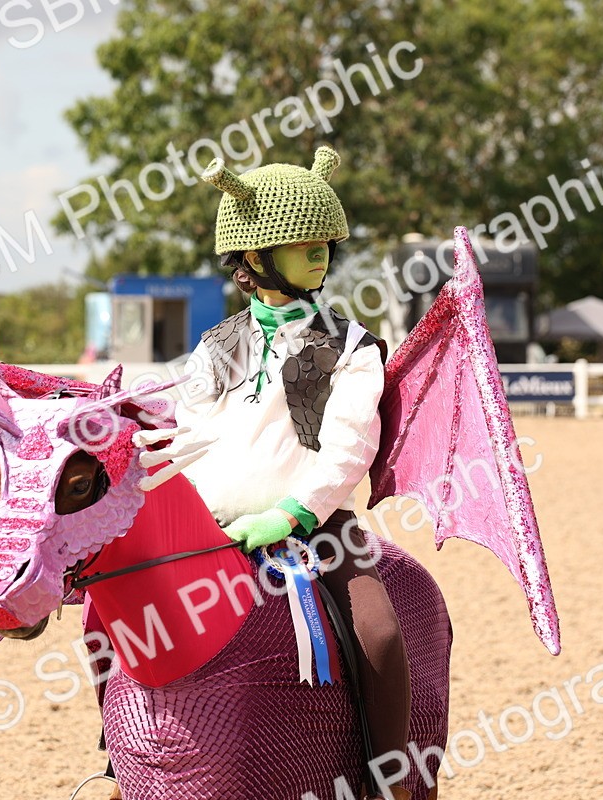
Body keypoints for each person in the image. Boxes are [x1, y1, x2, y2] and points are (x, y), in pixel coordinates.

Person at [175, 146, 413, 800]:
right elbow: (184, 440)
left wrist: (290, 514)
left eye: (324, 243)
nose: (320, 254)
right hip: (212, 532)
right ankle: (117, 761)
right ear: (252, 259)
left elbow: (349, 446)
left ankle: (387, 784)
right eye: (303, 242)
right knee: (116, 612)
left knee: (382, 633)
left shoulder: (351, 345)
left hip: (320, 531)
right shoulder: (213, 348)